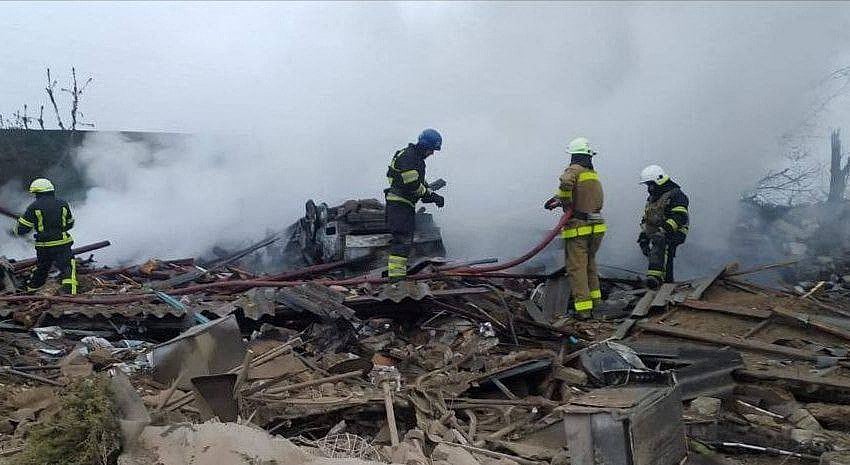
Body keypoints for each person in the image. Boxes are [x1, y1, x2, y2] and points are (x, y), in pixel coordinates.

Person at [544, 137, 606, 319]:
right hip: (596, 226)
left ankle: (584, 310)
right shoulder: (591, 174)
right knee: (590, 265)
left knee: (576, 268)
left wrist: (564, 200)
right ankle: (596, 304)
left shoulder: (574, 169)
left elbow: (565, 182)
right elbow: (583, 195)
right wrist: (558, 200)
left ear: (574, 155)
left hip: (579, 228)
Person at [384, 129, 444, 279]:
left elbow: (417, 183)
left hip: (402, 204)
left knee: (404, 241)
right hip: (400, 206)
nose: (432, 153)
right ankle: (396, 280)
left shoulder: (410, 156)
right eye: (431, 149)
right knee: (401, 241)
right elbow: (412, 185)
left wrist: (429, 192)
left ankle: (398, 276)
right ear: (425, 146)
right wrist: (432, 196)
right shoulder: (410, 157)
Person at [14, 178, 77, 294]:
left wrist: (18, 228)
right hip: (61, 243)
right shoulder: (63, 204)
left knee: (42, 267)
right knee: (67, 265)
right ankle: (69, 291)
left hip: (43, 245)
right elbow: (70, 223)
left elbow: (21, 229)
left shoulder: (34, 206)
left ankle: (31, 289)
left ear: (37, 193)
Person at [637, 165, 689, 289]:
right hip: (658, 230)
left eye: (650, 184)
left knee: (663, 243)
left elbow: (680, 217)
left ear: (659, 180)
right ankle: (659, 278)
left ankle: (658, 279)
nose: (649, 188)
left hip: (676, 230)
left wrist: (664, 229)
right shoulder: (652, 198)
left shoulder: (677, 195)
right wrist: (643, 236)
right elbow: (647, 218)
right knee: (655, 243)